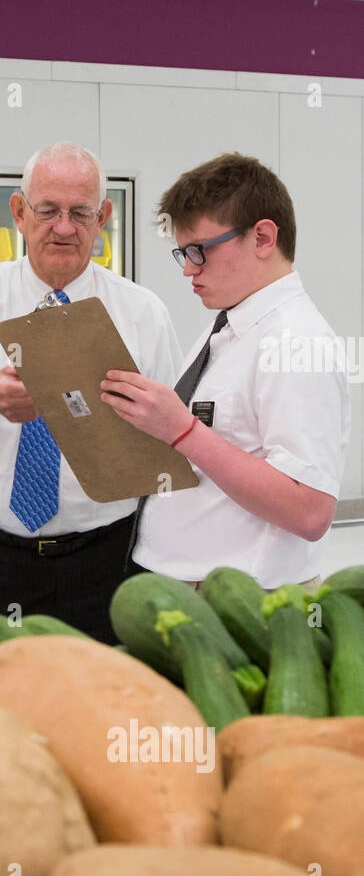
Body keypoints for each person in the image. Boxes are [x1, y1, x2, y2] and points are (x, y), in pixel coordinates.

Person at [0, 141, 184, 684]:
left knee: (100, 727)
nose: (64, 227)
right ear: (19, 213)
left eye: (80, 213)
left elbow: (177, 445)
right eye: (48, 211)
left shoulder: (143, 314)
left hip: (106, 565)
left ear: (103, 217)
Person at [102, 152, 350, 590]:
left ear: (263, 238)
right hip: (185, 587)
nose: (190, 270)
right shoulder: (228, 326)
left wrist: (181, 431)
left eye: (200, 251)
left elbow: (310, 511)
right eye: (183, 253)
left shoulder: (295, 342)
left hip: (244, 604)